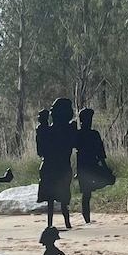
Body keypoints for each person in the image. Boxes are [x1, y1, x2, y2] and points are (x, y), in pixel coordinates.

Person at [37, 98, 77, 229]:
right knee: (62, 197)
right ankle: (66, 222)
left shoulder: (47, 130)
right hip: (62, 167)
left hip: (51, 166)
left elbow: (40, 151)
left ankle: (51, 223)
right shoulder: (69, 130)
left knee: (52, 199)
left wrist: (41, 129)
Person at [75, 108, 113, 223]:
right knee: (86, 195)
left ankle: (87, 217)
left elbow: (100, 153)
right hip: (84, 168)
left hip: (91, 166)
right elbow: (100, 153)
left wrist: (105, 167)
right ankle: (87, 218)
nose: (89, 122)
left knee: (89, 192)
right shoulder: (79, 134)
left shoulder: (92, 134)